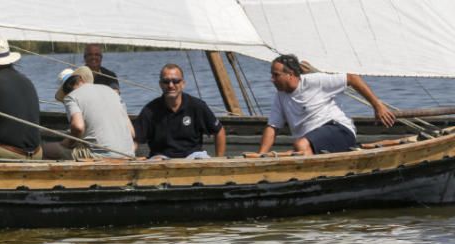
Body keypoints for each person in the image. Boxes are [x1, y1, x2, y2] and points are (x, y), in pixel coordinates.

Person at [259, 54, 396, 155]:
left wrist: (377, 106)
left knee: (300, 145)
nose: (272, 79)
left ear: (291, 74)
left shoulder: (315, 81)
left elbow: (352, 78)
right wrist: (261, 156)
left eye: (276, 75)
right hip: (311, 143)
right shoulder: (280, 96)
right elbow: (272, 127)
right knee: (299, 149)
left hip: (339, 130)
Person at [134, 64, 226, 159]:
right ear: (160, 84)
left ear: (183, 84)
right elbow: (135, 139)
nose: (171, 85)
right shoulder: (150, 110)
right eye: (166, 81)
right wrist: (127, 157)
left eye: (175, 81)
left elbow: (219, 131)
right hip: (161, 157)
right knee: (156, 160)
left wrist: (219, 159)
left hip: (194, 156)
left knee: (201, 159)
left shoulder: (197, 106)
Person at [43, 66, 135, 160]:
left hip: (99, 155)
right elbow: (132, 133)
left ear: (65, 91)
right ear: (82, 79)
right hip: (128, 154)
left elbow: (78, 127)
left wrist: (67, 144)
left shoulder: (70, 97)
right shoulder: (112, 92)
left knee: (46, 150)